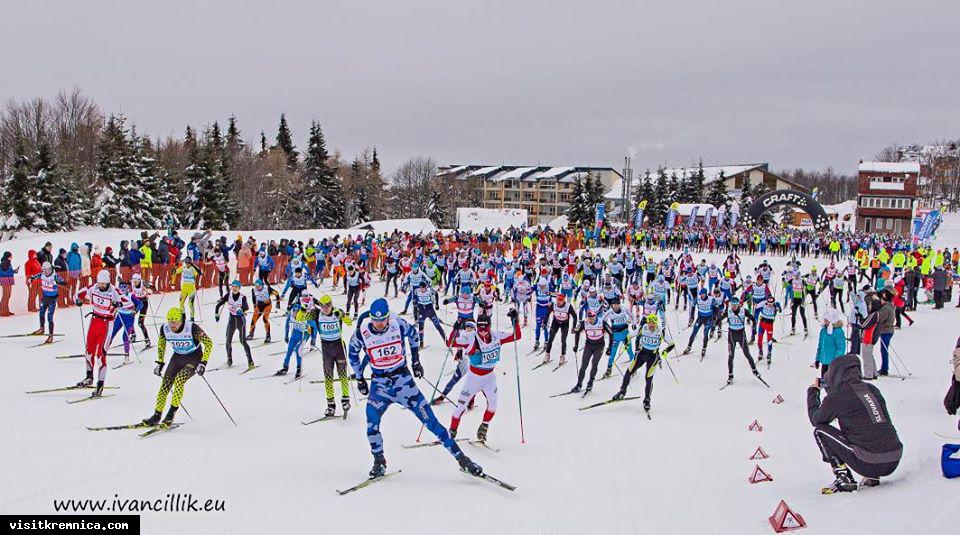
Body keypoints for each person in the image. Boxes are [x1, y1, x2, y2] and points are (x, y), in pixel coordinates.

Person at [348, 298, 482, 478]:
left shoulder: (398, 325)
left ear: (388, 317)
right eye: (375, 320)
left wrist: (415, 360)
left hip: (404, 382)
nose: (379, 324)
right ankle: (379, 461)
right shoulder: (362, 333)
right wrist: (359, 378)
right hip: (380, 386)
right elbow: (352, 354)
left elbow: (413, 335)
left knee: (432, 422)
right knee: (371, 423)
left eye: (382, 320)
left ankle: (463, 460)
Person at [807, 354, 902, 493]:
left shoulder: (839, 395)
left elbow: (816, 419)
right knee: (871, 429)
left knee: (820, 430)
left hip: (869, 462)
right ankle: (873, 477)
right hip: (893, 458)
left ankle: (844, 478)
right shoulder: (872, 390)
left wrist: (813, 392)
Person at [446, 311, 520, 442]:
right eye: (480, 329)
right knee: (460, 408)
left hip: (489, 378)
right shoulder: (470, 337)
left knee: (493, 405)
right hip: (473, 378)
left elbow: (517, 336)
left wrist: (515, 320)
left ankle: (483, 427)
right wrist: (455, 329)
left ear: (490, 327)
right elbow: (450, 343)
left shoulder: (497, 335)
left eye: (486, 329)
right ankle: (451, 432)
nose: (483, 332)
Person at [142, 308, 214, 427]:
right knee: (165, 385)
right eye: (170, 322)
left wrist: (203, 363)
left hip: (194, 357)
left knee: (179, 380)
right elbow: (161, 344)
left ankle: (170, 415)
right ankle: (156, 416)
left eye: (175, 322)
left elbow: (209, 343)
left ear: (182, 321)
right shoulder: (165, 328)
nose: (172, 325)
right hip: (177, 357)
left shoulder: (192, 328)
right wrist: (160, 362)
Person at [611, 313, 673, 413]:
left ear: (656, 323)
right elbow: (629, 336)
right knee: (629, 371)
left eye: (653, 323)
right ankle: (622, 392)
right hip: (642, 353)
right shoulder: (643, 328)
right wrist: (626, 345)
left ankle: (647, 400)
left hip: (653, 356)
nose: (651, 325)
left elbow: (672, 344)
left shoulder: (661, 331)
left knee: (648, 378)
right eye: (649, 323)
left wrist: (664, 353)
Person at [74, 270, 123, 396]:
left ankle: (100, 384)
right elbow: (77, 294)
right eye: (99, 283)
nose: (101, 286)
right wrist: (77, 300)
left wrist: (119, 304)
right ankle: (89, 377)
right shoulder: (93, 288)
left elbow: (128, 302)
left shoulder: (114, 291)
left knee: (101, 356)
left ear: (108, 282)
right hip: (94, 321)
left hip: (107, 324)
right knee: (89, 351)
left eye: (103, 284)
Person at [316, 294, 353, 417]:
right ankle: (331, 405)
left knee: (342, 375)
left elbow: (349, 322)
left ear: (331, 305)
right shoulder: (317, 314)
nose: (325, 308)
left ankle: (345, 400)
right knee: (328, 378)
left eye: (328, 305)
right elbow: (300, 318)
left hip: (339, 347)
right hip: (326, 349)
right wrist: (304, 308)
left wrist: (341, 315)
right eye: (322, 306)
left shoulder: (337, 312)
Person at [214, 280, 255, 370]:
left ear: (239, 288)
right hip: (232, 320)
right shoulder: (228, 295)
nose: (234, 288)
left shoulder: (242, 297)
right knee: (228, 340)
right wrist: (217, 314)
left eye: (236, 286)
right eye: (233, 286)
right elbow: (218, 305)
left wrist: (241, 310)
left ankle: (250, 360)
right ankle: (229, 359)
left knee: (243, 341)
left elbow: (246, 307)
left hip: (240, 321)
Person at [724, 297, 762, 385]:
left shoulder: (743, 311)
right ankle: (730, 375)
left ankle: (754, 371)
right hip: (732, 335)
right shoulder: (728, 311)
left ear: (738, 305)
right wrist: (715, 324)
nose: (733, 307)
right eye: (732, 305)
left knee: (747, 354)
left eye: (735, 305)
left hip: (741, 334)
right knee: (731, 356)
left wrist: (754, 327)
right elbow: (720, 318)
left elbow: (752, 318)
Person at [570, 308, 606, 394]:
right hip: (589, 345)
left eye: (592, 318)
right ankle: (579, 384)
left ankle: (590, 382)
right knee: (584, 365)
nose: (590, 320)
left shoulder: (602, 322)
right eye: (589, 318)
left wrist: (609, 348)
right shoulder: (584, 323)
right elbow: (577, 332)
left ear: (595, 317)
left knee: (594, 363)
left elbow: (611, 334)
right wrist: (576, 345)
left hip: (599, 345)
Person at [29, 262, 67, 342]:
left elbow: (63, 281)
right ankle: (41, 328)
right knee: (41, 313)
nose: (45, 272)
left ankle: (50, 336)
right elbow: (36, 276)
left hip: (52, 299)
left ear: (50, 269)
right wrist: (31, 278)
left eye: (46, 270)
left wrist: (60, 282)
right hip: (45, 297)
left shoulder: (54, 276)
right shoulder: (42, 274)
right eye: (43, 270)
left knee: (50, 316)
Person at [814, 308, 846, 382]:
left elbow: (841, 348)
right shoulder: (823, 330)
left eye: (826, 320)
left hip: (833, 364)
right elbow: (820, 346)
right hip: (824, 363)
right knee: (824, 382)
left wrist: (836, 361)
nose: (824, 321)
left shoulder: (838, 331)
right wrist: (817, 359)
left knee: (832, 383)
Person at [876, 289, 896, 376]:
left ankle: (885, 368)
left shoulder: (886, 308)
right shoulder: (889, 306)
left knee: (884, 350)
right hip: (888, 330)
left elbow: (880, 318)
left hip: (886, 330)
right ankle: (884, 367)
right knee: (884, 349)